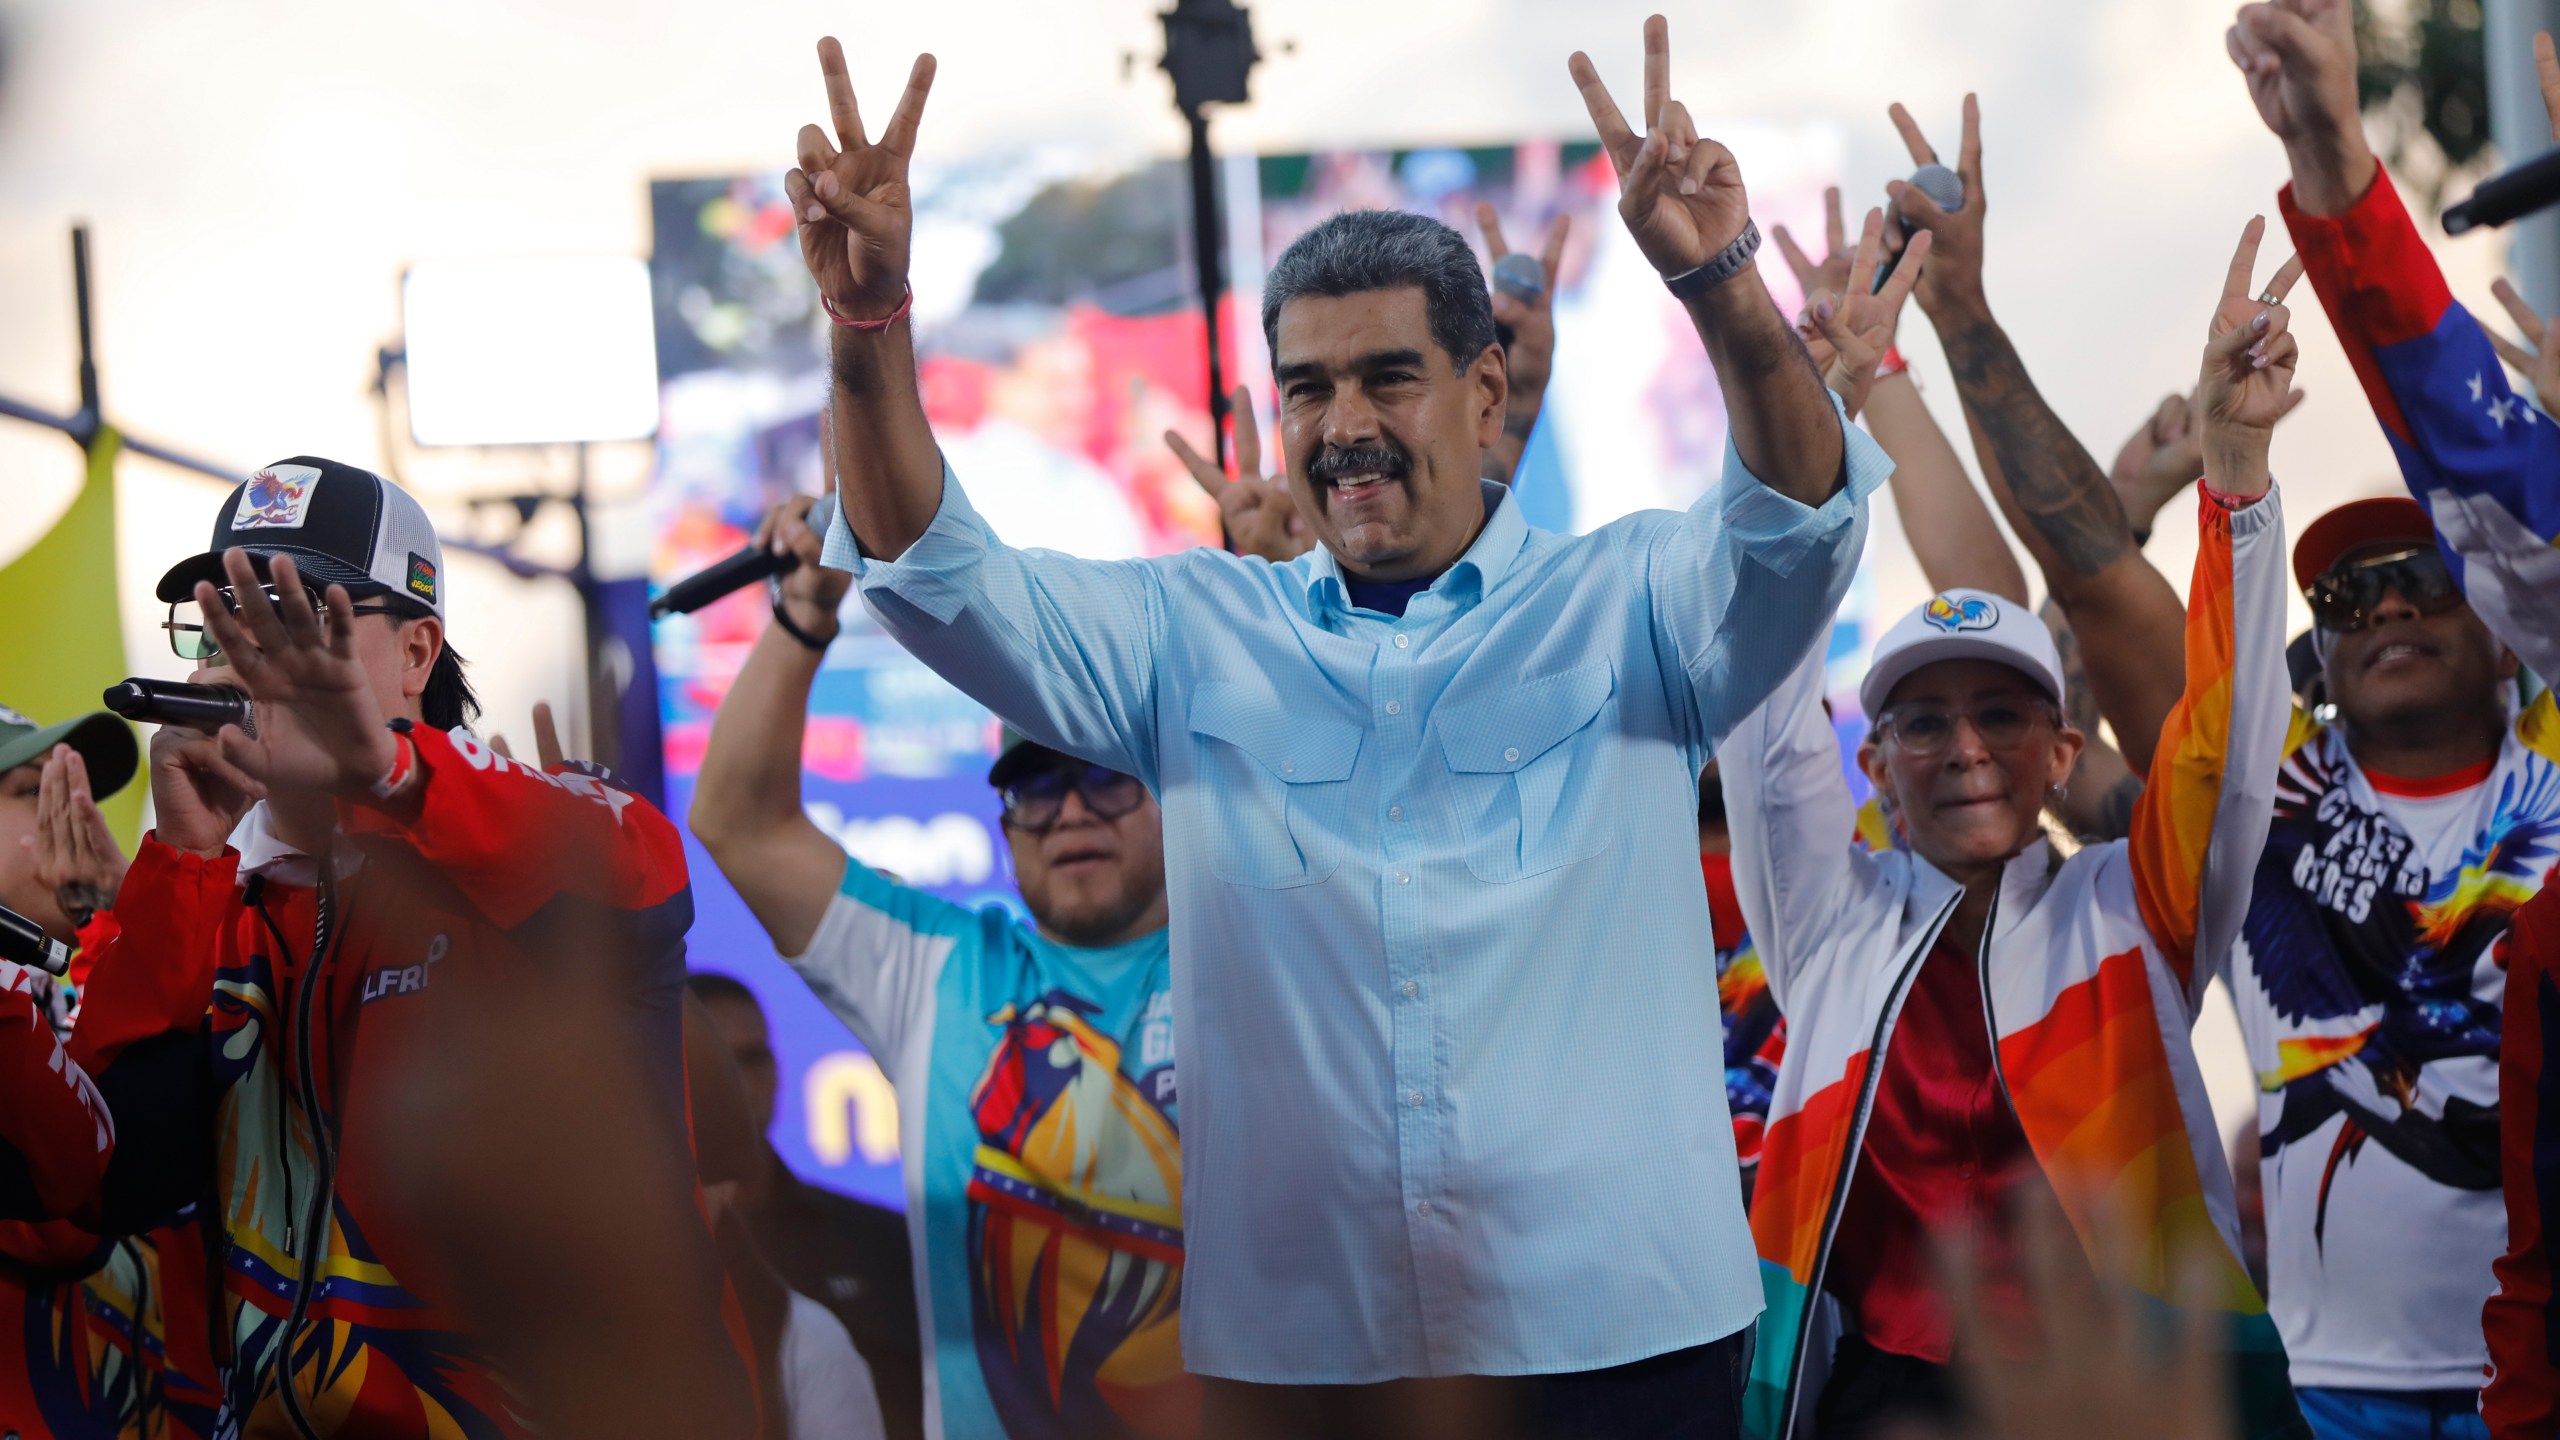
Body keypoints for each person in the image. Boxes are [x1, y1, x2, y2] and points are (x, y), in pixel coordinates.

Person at [780, 12, 1884, 1432]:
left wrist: (1723, 284)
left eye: (1386, 378)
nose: (1341, 424)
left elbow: (1798, 523)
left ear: (1485, 392)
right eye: (1306, 388)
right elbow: (931, 574)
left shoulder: (1631, 601)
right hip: (1308, 1373)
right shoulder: (1191, 636)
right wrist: (868, 328)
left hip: (1623, 1348)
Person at [0, 457, 753, 1438]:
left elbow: (643, 876)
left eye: (291, 620)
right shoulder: (210, 893)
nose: (248, 658)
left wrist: (384, 773)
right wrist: (180, 862)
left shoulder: (526, 839)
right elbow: (106, 1182)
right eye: (221, 624)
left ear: (416, 651)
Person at [1723, 218, 2310, 1440]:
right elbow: (1762, 707)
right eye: (1923, 722)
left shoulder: (2132, 912)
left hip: (2118, 1400)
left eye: (1999, 714)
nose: (1966, 748)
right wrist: (1808, 420)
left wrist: (2236, 477)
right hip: (1877, 1404)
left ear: (2060, 753)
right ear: (1874, 765)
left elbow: (2225, 741)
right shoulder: (1828, 927)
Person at [2216, 7, 2560, 1434]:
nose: (2393, 609)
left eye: (2427, 578)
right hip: (2359, 1390)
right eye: (2350, 597)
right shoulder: (2260, 812)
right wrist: (2333, 158)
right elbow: (2469, 444)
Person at [689, 483, 1188, 1440]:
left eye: (1103, 778)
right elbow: (738, 825)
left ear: (1171, 802)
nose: (1070, 811)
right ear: (1005, 830)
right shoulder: (936, 970)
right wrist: (805, 614)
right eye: (1036, 786)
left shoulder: (1255, 959)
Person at [688, 970, 925, 1440]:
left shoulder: (886, 1242)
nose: (740, 1085)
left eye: (753, 1059)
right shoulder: (640, 1261)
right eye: (716, 1064)